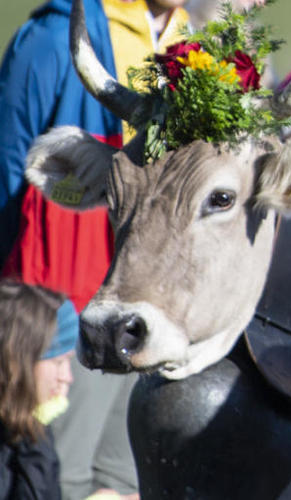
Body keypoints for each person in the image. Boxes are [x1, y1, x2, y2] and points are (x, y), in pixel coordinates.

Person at [0, 1, 188, 498]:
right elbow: (8, 161)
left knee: (122, 478)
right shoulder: (52, 35)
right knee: (58, 467)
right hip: (60, 294)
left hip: (145, 293)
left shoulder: (191, 40)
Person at [0, 280, 76, 500]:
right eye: (58, 362)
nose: (67, 378)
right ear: (17, 361)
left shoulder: (20, 424)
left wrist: (35, 428)